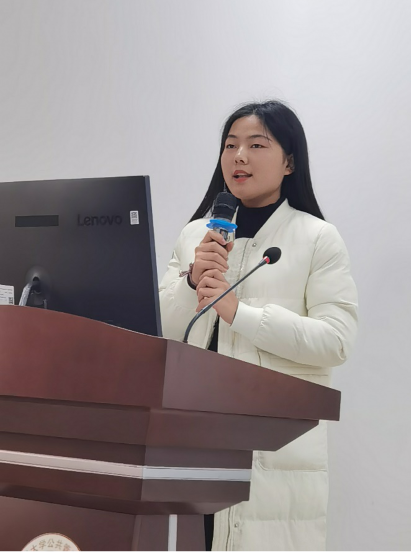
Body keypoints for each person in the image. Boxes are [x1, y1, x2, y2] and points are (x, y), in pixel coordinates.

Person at [159, 100, 358, 552]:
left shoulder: (316, 238)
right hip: (190, 442)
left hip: (270, 451)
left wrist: (240, 314)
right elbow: (162, 331)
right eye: (230, 145)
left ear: (289, 162)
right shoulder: (195, 235)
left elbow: (336, 340)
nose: (239, 157)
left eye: (256, 145)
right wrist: (191, 282)